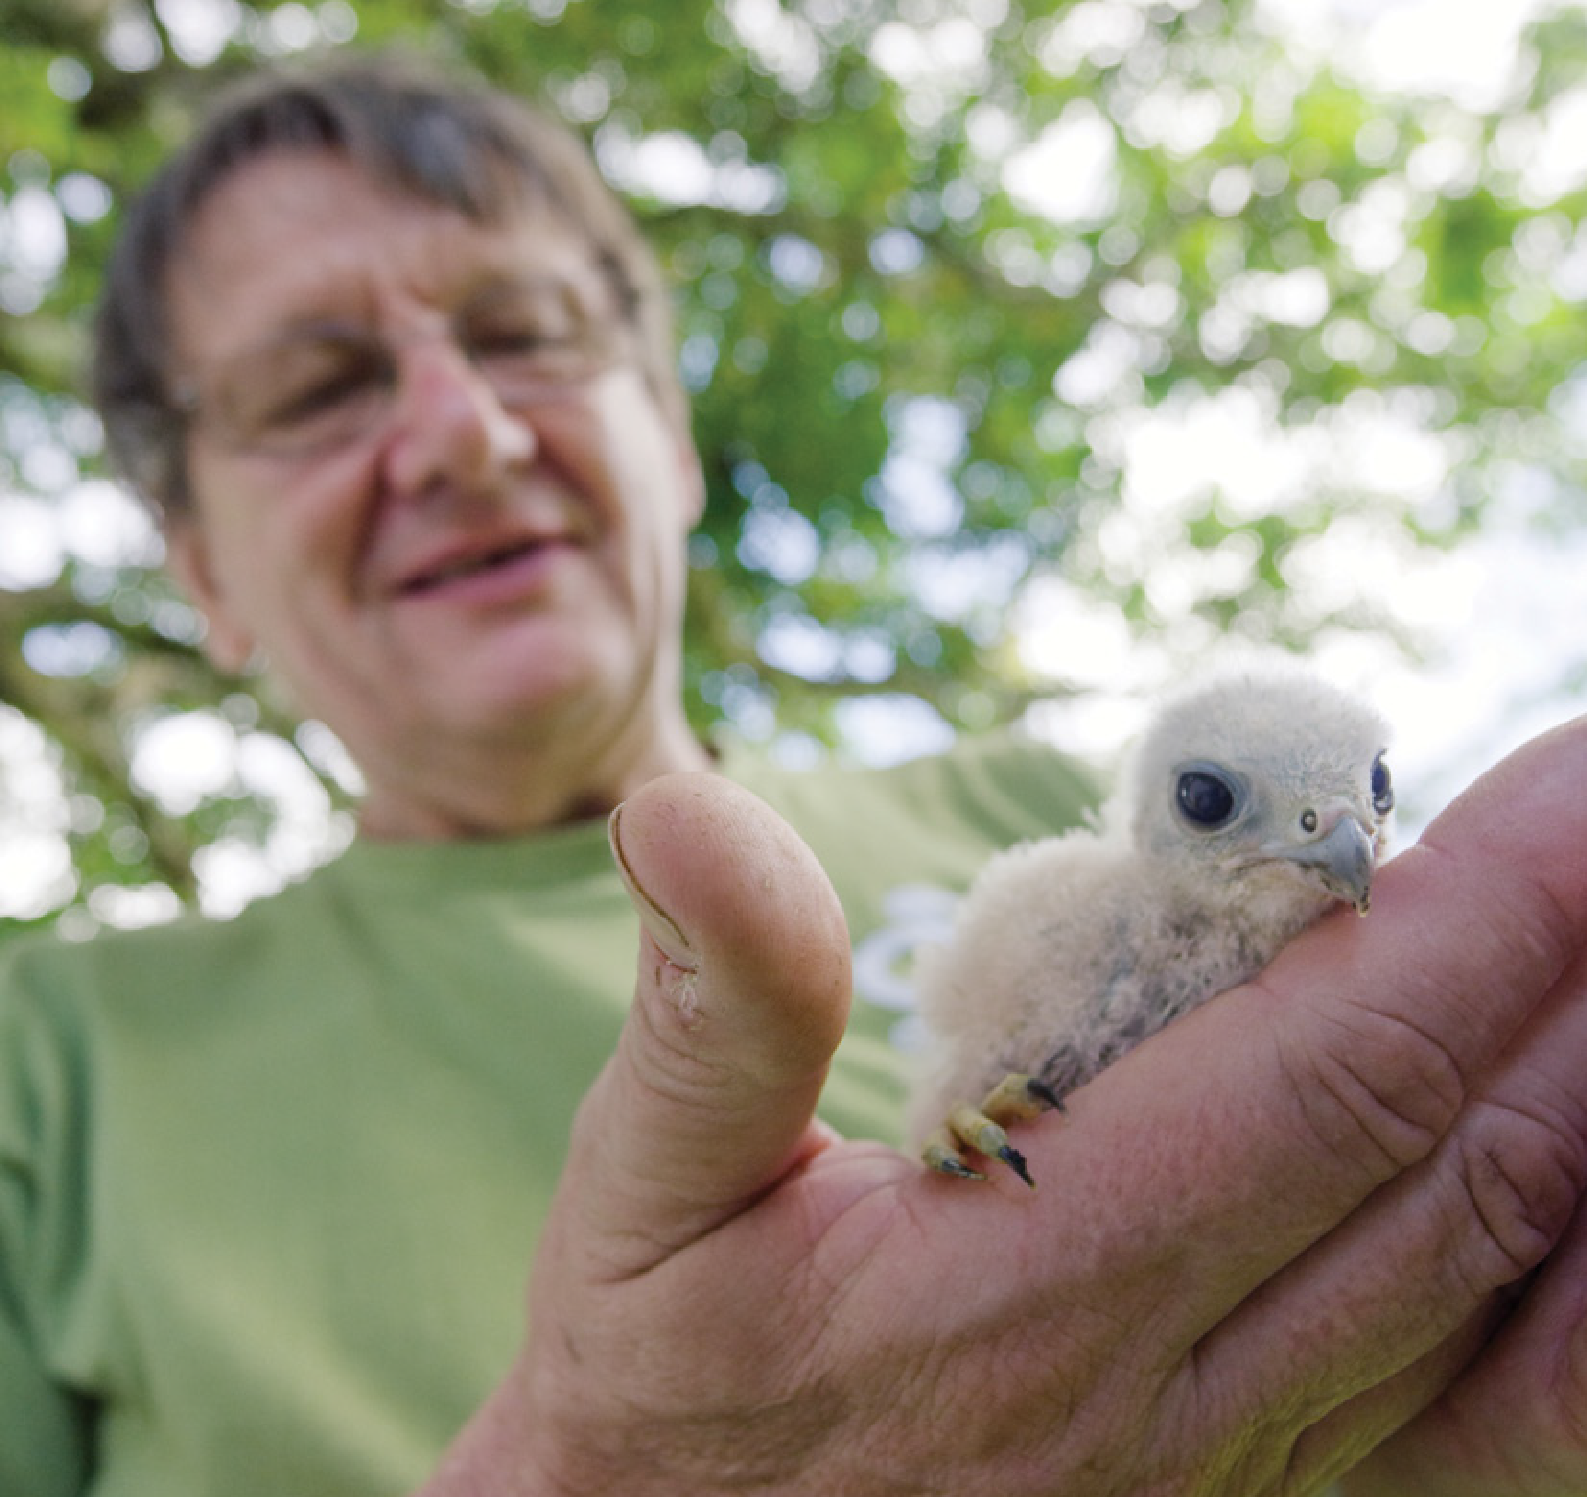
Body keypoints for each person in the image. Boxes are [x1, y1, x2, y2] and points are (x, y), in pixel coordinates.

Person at [1, 50, 1584, 1497]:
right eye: (317, 388)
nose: (460, 433)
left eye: (523, 333)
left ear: (671, 433)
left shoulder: (1047, 815)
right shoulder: (49, 1076)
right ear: (194, 562)